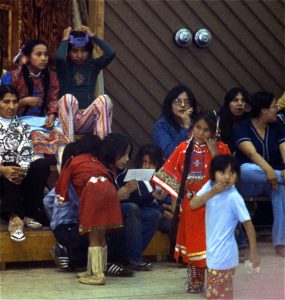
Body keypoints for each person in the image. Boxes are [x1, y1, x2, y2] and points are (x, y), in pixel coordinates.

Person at [152, 111, 231, 293]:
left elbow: (227, 176)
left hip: (215, 204)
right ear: (192, 127)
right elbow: (171, 171)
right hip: (192, 204)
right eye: (198, 128)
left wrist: (214, 152)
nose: (201, 133)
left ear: (213, 133)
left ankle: (216, 282)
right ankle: (195, 280)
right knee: (195, 244)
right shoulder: (183, 148)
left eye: (206, 130)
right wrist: (162, 191)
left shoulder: (221, 148)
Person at [44, 137, 134, 276]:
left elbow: (48, 201)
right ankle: (101, 265)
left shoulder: (87, 168)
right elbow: (52, 200)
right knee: (99, 235)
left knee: (105, 231)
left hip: (82, 221)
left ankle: (88, 264)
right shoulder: (80, 170)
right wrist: (56, 221)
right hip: (70, 225)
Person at [190, 154, 260, 299]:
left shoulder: (234, 197)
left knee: (214, 296)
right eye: (222, 172)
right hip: (213, 254)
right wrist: (213, 192)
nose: (227, 177)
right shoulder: (209, 186)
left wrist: (253, 252)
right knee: (223, 295)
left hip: (224, 255)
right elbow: (193, 204)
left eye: (232, 172)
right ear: (213, 174)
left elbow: (248, 225)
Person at [234, 91, 285, 257]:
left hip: (273, 182)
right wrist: (271, 171)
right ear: (263, 110)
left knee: (282, 189)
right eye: (273, 106)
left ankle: (280, 243)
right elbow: (251, 154)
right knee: (245, 169)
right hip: (250, 182)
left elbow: (284, 149)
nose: (277, 109)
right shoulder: (242, 127)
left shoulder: (277, 126)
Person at [100, 133, 158, 271]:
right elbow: (96, 200)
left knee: (153, 214)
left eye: (128, 155)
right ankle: (134, 259)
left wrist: (151, 195)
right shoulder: (100, 170)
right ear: (113, 152)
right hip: (104, 214)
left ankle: (129, 256)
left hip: (123, 212)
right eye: (123, 155)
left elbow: (135, 202)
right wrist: (115, 197)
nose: (127, 159)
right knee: (130, 208)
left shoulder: (123, 172)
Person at [0, 85, 50, 241]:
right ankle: (14, 218)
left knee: (41, 164)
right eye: (6, 102)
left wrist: (23, 170)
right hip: (1, 175)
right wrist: (2, 170)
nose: (11, 106)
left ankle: (29, 215)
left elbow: (26, 152)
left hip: (17, 174)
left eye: (14, 102)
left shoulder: (22, 126)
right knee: (10, 164)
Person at [9, 40, 68, 171]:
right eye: (38, 54)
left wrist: (52, 115)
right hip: (20, 121)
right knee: (36, 140)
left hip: (43, 120)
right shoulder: (13, 76)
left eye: (46, 55)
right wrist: (23, 102)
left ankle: (64, 183)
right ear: (28, 57)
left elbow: (53, 99)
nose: (43, 58)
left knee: (61, 142)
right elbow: (3, 104)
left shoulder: (51, 76)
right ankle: (39, 179)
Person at [56, 26, 115, 142]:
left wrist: (93, 36)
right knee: (68, 98)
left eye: (83, 51)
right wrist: (65, 39)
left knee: (104, 99)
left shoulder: (93, 66)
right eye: (74, 51)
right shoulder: (64, 66)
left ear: (89, 51)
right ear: (68, 52)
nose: (79, 55)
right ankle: (69, 145)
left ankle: (103, 147)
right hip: (67, 119)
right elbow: (59, 58)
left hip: (86, 119)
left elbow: (111, 53)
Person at [134, 143, 173, 235]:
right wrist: (163, 211)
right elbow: (139, 202)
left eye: (151, 163)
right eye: (144, 162)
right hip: (149, 216)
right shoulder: (134, 176)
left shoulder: (162, 177)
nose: (146, 167)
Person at [152, 85, 197, 158]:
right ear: (170, 104)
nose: (183, 105)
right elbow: (169, 154)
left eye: (187, 102)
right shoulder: (161, 126)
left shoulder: (197, 123)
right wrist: (185, 128)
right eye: (177, 101)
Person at [219, 87, 250, 153]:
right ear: (228, 103)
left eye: (243, 100)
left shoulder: (250, 121)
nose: (240, 104)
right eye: (235, 100)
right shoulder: (218, 120)